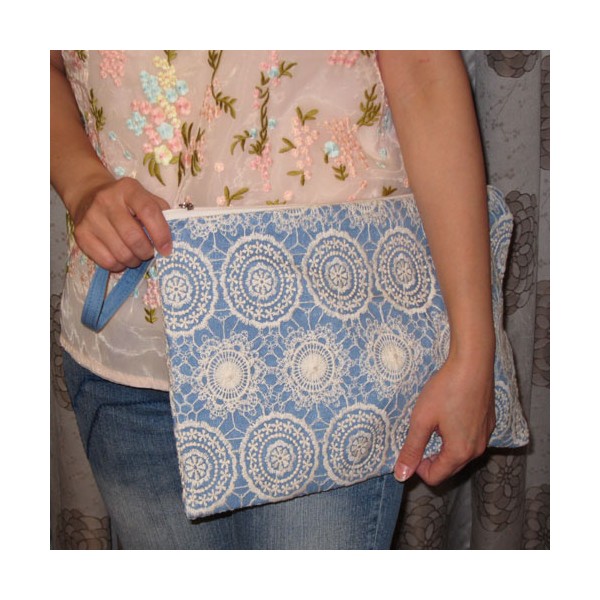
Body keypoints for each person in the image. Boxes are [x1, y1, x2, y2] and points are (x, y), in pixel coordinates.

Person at [50, 50, 495, 549]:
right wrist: (83, 183)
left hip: (327, 352)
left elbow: (423, 71)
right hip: (130, 349)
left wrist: (473, 354)